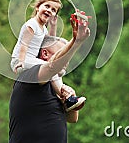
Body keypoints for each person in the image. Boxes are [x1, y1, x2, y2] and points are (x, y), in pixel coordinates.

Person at [9, 13, 90, 143]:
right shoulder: (31, 76)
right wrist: (76, 42)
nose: (67, 61)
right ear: (45, 53)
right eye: (64, 53)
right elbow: (52, 65)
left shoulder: (55, 84)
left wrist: (70, 97)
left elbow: (72, 119)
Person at [10, 0, 85, 110]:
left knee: (54, 69)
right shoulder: (32, 24)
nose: (50, 10)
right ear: (37, 7)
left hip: (31, 60)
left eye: (54, 10)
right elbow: (24, 45)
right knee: (51, 66)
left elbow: (49, 44)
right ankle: (64, 95)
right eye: (47, 6)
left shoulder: (43, 28)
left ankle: (65, 96)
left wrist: (53, 26)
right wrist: (20, 61)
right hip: (22, 60)